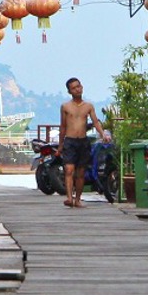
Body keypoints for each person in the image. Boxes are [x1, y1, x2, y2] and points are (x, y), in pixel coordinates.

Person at [59, 77, 108, 207]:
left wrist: (103, 134)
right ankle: (69, 198)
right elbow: (63, 126)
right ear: (70, 91)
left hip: (83, 142)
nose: (77, 89)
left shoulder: (88, 106)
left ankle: (78, 199)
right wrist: (60, 145)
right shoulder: (65, 106)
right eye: (74, 88)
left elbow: (96, 122)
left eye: (78, 86)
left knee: (80, 173)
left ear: (82, 87)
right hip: (70, 141)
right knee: (69, 170)